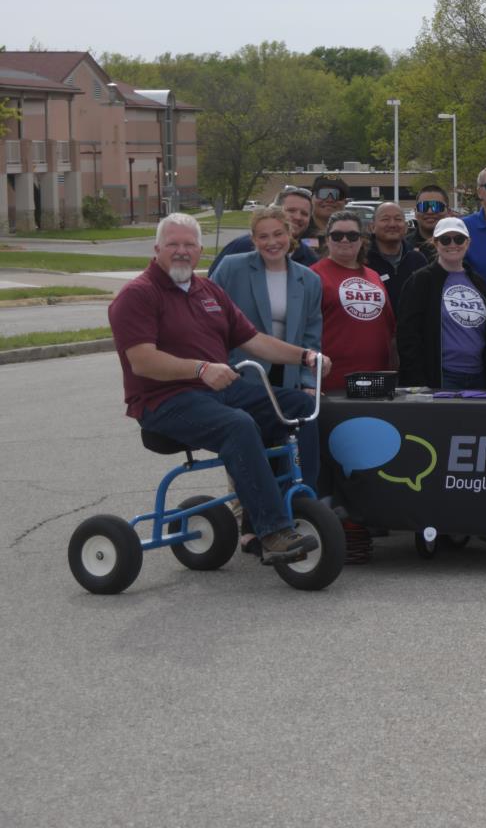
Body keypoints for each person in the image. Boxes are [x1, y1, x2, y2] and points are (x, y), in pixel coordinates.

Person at [109, 213, 330, 565]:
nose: (181, 252)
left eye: (189, 245)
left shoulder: (207, 291)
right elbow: (142, 361)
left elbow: (254, 340)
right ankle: (271, 531)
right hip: (164, 400)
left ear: (199, 251)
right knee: (238, 425)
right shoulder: (138, 295)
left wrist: (305, 356)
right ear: (156, 249)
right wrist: (200, 368)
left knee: (300, 407)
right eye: (173, 244)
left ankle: (304, 503)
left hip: (219, 391)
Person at [209, 205, 323, 396]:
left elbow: (311, 336)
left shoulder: (310, 280)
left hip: (287, 375)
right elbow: (209, 319)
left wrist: (308, 381)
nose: (272, 242)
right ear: (253, 240)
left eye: (278, 234)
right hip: (239, 374)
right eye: (263, 237)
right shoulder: (231, 268)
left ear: (289, 234)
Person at [398, 216, 486, 390]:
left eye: (459, 239)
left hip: (479, 375)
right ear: (435, 243)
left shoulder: (479, 283)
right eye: (445, 239)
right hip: (442, 377)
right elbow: (407, 334)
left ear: (468, 242)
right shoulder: (421, 280)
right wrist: (417, 380)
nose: (453, 244)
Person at [310, 210, 397, 393]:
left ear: (361, 240)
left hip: (377, 379)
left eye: (352, 235)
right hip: (332, 380)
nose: (344, 240)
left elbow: (389, 326)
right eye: (337, 235)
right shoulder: (313, 275)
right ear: (327, 239)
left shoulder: (374, 276)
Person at [210, 184, 318, 271]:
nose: (298, 217)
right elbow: (212, 289)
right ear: (276, 211)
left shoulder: (310, 259)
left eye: (304, 213)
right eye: (291, 210)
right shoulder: (243, 247)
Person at [366, 201, 427, 297]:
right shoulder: (362, 260)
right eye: (385, 219)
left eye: (398, 219)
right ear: (372, 227)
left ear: (406, 227)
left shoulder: (417, 259)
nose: (392, 224)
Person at [410, 185, 453, 254]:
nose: (430, 212)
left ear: (448, 212)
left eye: (437, 206)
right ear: (415, 212)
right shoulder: (402, 246)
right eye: (423, 206)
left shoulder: (460, 244)